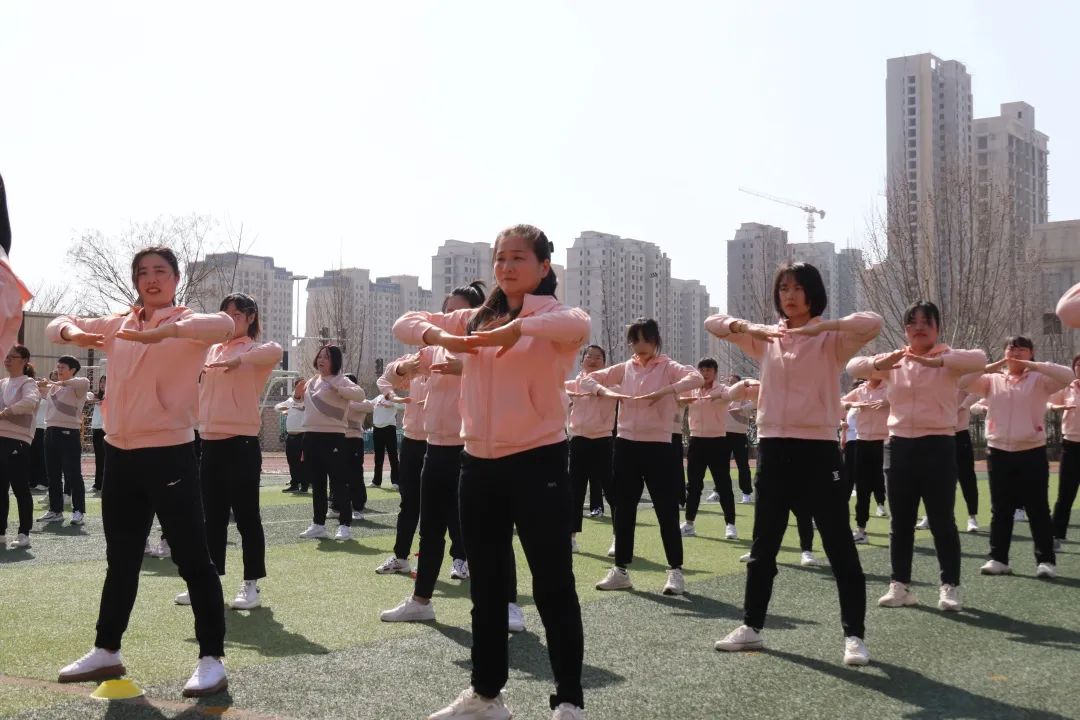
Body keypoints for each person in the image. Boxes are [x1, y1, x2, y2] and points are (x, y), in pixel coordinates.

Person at [394, 224, 587, 720]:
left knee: (552, 584)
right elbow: (406, 322)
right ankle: (486, 695)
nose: (506, 267)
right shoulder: (473, 318)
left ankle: (568, 699)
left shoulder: (555, 316)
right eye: (500, 258)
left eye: (518, 258)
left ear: (544, 267)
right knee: (487, 587)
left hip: (538, 460)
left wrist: (515, 328)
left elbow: (576, 328)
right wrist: (441, 336)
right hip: (476, 463)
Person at [53, 246, 234, 697]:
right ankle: (107, 650)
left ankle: (211, 658)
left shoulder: (190, 323)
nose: (151, 279)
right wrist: (77, 332)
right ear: (135, 280)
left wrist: (165, 331)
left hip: (170, 454)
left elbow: (225, 325)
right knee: (122, 559)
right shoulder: (119, 323)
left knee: (193, 558)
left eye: (160, 272)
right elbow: (59, 325)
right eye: (143, 273)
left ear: (175, 279)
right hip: (120, 455)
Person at [709, 261, 880, 666]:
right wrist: (744, 327)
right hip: (772, 447)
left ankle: (854, 636)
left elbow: (872, 322)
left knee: (838, 543)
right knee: (764, 543)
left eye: (798, 287)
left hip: (818, 449)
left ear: (813, 293)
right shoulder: (768, 339)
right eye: (783, 287)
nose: (790, 294)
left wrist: (823, 327)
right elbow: (712, 322)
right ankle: (752, 627)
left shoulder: (831, 340)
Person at [383, 283, 522, 627]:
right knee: (430, 530)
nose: (448, 319)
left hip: (474, 449)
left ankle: (509, 605)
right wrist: (404, 370)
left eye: (456, 312)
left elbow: (512, 379)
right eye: (445, 312)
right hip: (435, 449)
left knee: (491, 531)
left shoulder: (490, 344)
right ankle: (421, 601)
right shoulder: (436, 348)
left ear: (474, 315)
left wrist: (467, 368)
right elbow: (396, 375)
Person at [847, 300, 986, 614]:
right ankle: (900, 585)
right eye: (913, 322)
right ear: (906, 329)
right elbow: (854, 366)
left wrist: (937, 363)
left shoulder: (949, 359)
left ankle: (950, 586)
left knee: (942, 521)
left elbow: (980, 358)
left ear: (937, 328)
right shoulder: (896, 361)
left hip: (938, 444)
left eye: (926, 322)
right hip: (898, 447)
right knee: (901, 522)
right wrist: (888, 359)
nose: (919, 327)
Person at [584, 318, 704, 595]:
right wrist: (604, 391)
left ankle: (675, 571)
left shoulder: (667, 366)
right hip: (626, 444)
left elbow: (695, 377)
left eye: (645, 340)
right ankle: (621, 570)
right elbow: (589, 378)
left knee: (666, 510)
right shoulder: (625, 367)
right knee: (623, 509)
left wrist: (667, 390)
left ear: (655, 340)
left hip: (659, 446)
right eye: (635, 341)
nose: (640, 346)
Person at [179, 293, 282, 610]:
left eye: (236, 314)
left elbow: (276, 350)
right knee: (212, 517)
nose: (229, 319)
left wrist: (241, 359)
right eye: (224, 313)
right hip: (209, 442)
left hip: (241, 443)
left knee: (247, 517)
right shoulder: (211, 350)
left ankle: (251, 585)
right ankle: (209, 581)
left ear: (251, 317)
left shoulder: (255, 350)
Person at [961, 337, 1068, 579]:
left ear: (1031, 353)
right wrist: (988, 366)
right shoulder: (992, 380)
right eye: (1011, 348)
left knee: (1038, 508)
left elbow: (1068, 375)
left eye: (1022, 349)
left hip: (1032, 450)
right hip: (998, 451)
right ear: (1004, 351)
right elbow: (961, 381)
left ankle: (1046, 561)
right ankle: (998, 558)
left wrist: (1036, 366)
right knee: (1001, 508)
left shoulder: (1040, 379)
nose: (1015, 352)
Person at [297, 345, 370, 541]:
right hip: (310, 436)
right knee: (318, 483)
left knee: (339, 483)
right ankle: (318, 524)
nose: (321, 360)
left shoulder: (341, 379)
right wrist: (297, 396)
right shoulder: (312, 381)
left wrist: (340, 389)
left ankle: (344, 525)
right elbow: (302, 406)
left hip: (334, 437)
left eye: (326, 357)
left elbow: (360, 395)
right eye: (320, 356)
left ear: (335, 361)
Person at [679, 358, 752, 540]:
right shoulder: (692, 389)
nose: (705, 373)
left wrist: (725, 394)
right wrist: (683, 398)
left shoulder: (723, 390)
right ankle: (689, 524)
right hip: (696, 441)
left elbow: (736, 395)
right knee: (694, 485)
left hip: (718, 442)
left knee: (724, 485)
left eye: (709, 370)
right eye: (702, 369)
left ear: (715, 372)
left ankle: (730, 525)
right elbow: (677, 399)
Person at [373, 353, 428, 575]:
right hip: (412, 440)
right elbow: (384, 379)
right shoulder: (413, 359)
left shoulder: (453, 355)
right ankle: (401, 557)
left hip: (445, 440)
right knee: (408, 503)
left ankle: (460, 558)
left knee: (449, 506)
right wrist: (392, 393)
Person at [564, 344, 617, 550]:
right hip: (578, 441)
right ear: (582, 360)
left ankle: (618, 536)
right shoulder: (571, 385)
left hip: (603, 441)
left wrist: (598, 392)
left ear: (604, 364)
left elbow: (618, 394)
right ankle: (571, 536)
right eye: (589, 356)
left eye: (598, 358)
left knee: (612, 491)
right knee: (575, 491)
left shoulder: (612, 385)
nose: (593, 360)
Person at [36, 355, 91, 525]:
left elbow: (83, 382)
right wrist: (40, 385)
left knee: (73, 474)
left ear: (72, 370)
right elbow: (41, 391)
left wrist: (54, 383)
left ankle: (78, 511)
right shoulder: (55, 388)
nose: (58, 370)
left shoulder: (78, 386)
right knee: (52, 474)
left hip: (69, 433)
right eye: (57, 367)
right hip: (50, 432)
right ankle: (55, 510)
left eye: (62, 368)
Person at [841, 377, 889, 543]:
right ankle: (861, 531)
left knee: (890, 486)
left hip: (885, 442)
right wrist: (851, 405)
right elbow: (840, 402)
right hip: (862, 443)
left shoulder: (892, 386)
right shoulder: (861, 390)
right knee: (862, 489)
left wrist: (888, 403)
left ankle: (900, 530)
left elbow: (910, 400)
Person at [1, 344, 39, 549]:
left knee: (20, 488)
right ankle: (0, 533)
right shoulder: (2, 382)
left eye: (12, 357)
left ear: (24, 361)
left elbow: (30, 403)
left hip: (18, 441)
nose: (7, 360)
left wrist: (6, 412)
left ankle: (24, 533)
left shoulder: (28, 382)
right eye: (6, 356)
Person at [1048, 353, 1080, 552]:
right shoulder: (1067, 387)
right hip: (1070, 446)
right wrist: (1059, 406)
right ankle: (1055, 536)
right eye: (1078, 365)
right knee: (1065, 494)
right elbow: (1049, 404)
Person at [343, 374, 374, 520]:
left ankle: (358, 507)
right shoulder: (340, 400)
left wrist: (348, 404)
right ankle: (337, 505)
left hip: (354, 440)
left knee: (355, 474)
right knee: (339, 474)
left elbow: (369, 407)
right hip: (339, 440)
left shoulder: (361, 401)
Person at [274, 378, 308, 493]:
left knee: (303, 462)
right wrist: (282, 409)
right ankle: (294, 484)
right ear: (295, 388)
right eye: (299, 386)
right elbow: (277, 407)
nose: (302, 389)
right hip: (291, 437)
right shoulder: (289, 401)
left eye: (304, 386)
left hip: (303, 436)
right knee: (292, 461)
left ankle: (304, 486)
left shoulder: (308, 401)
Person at [955, 390, 981, 533]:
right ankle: (931, 515)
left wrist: (962, 406)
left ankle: (972, 517)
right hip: (938, 434)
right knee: (937, 480)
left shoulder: (963, 378)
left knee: (967, 478)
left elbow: (976, 393)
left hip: (960, 435)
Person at [370, 392, 403, 488]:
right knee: (378, 457)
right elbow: (368, 403)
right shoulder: (378, 397)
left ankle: (396, 481)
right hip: (377, 428)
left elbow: (403, 405)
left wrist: (392, 403)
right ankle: (376, 482)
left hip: (389, 428)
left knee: (393, 456)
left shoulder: (394, 397)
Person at [87, 376, 107, 494]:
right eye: (101, 382)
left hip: (106, 429)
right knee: (98, 458)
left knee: (105, 458)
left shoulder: (110, 396)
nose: (102, 384)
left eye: (105, 382)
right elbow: (89, 399)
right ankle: (97, 484)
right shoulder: (96, 396)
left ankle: (105, 483)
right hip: (96, 429)